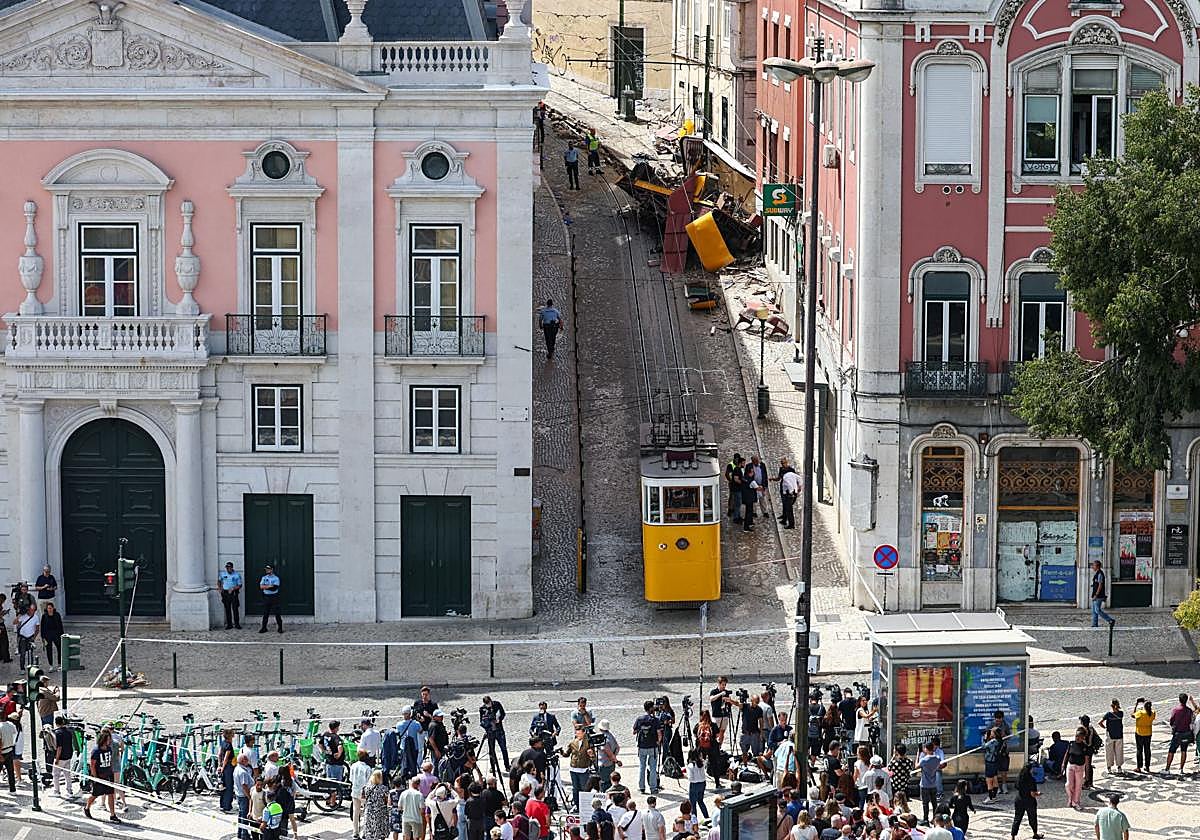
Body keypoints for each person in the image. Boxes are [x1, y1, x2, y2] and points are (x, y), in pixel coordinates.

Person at [85, 726, 121, 823]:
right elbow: (92, 765)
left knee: (110, 794)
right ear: (103, 740)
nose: (110, 741)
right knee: (95, 795)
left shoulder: (109, 748)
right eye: (108, 739)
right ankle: (87, 807)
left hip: (108, 775)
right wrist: (95, 778)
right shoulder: (96, 751)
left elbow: (110, 761)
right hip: (99, 777)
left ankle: (113, 815)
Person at [633, 700, 662, 794]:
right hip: (653, 747)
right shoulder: (655, 720)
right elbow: (659, 734)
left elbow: (634, 731)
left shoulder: (639, 719)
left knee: (642, 767)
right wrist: (658, 742)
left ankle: (642, 787)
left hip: (642, 746)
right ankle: (653, 788)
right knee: (653, 768)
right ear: (651, 708)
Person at [1164, 692, 1197, 774]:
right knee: (1184, 750)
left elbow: (1172, 721)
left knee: (1171, 751)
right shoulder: (1189, 710)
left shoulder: (1176, 710)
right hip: (1186, 733)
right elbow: (1192, 720)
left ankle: (1167, 769)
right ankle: (1181, 769)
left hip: (1178, 733)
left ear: (1179, 700)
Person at [1010, 763, 1042, 840]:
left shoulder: (1019, 778)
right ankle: (1035, 834)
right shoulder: (1031, 780)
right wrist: (1039, 793)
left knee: (1017, 818)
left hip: (1019, 800)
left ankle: (1013, 836)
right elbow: (1033, 794)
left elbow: (1016, 787)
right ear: (1030, 770)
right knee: (1032, 818)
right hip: (1029, 801)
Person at [480, 696, 511, 775]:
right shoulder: (482, 709)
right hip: (490, 732)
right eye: (487, 704)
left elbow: (503, 713)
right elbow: (481, 722)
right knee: (491, 750)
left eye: (489, 703)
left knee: (503, 748)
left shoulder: (497, 704)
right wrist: (488, 723)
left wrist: (499, 719)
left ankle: (507, 766)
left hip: (499, 730)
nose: (489, 705)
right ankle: (492, 766)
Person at [1064, 727, 1089, 809]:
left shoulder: (1085, 747)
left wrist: (1087, 774)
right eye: (1076, 736)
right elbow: (1067, 754)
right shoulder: (1071, 743)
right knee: (1069, 784)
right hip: (1070, 766)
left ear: (1083, 737)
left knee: (1078, 786)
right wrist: (1063, 765)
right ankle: (1070, 798)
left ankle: (1076, 802)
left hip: (1080, 768)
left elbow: (1087, 761)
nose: (1077, 738)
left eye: (1079, 736)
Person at [351, 749, 374, 838]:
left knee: (355, 811)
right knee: (366, 812)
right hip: (365, 792)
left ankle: (355, 831)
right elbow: (370, 782)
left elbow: (351, 779)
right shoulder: (368, 768)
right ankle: (364, 832)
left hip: (355, 790)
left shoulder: (353, 766)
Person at [52, 714, 75, 797]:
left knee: (56, 775)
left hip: (61, 757)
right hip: (68, 755)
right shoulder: (69, 732)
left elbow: (59, 747)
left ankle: (57, 791)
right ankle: (69, 791)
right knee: (67, 774)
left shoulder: (58, 733)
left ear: (56, 723)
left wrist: (57, 759)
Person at [597, 719, 622, 792]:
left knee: (605, 783)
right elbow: (617, 747)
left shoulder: (603, 738)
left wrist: (613, 758)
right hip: (611, 763)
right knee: (610, 781)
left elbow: (608, 751)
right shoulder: (610, 735)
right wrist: (614, 758)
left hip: (604, 764)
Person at [1089, 560, 1116, 627]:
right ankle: (1094, 624)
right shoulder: (1097, 573)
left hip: (1098, 595)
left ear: (1097, 566)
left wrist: (1096, 595)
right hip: (1095, 594)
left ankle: (1110, 620)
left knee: (1097, 610)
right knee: (1094, 611)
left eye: (1093, 565)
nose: (1092, 566)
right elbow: (1097, 584)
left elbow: (1100, 585)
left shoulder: (1100, 574)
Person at [400, 776, 427, 840]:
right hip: (416, 818)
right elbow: (422, 810)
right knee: (416, 837)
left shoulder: (403, 793)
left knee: (406, 837)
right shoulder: (419, 795)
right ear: (418, 784)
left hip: (406, 818)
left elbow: (400, 807)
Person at [234, 754, 255, 840]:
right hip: (244, 796)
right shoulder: (242, 772)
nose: (248, 761)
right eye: (246, 759)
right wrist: (249, 797)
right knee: (245, 815)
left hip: (239, 795)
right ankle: (244, 834)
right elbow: (244, 786)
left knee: (241, 814)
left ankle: (240, 832)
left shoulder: (237, 769)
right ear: (243, 761)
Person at [14, 600, 39, 668]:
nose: (32, 611)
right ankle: (22, 668)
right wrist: (19, 615)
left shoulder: (36, 617)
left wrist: (34, 638)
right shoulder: (23, 616)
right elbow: (14, 622)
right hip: (23, 637)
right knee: (22, 653)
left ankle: (31, 666)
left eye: (33, 610)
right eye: (31, 610)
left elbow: (37, 629)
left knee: (31, 653)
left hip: (30, 637)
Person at [219, 561, 244, 630]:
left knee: (235, 609)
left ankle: (237, 624)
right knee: (227, 609)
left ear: (232, 567)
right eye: (227, 567)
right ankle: (229, 624)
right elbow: (219, 581)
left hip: (233, 593)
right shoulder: (223, 574)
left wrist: (233, 588)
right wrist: (220, 588)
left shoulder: (236, 575)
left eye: (229, 567)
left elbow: (240, 585)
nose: (228, 569)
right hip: (225, 593)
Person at [1132, 699, 1155, 772]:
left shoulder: (1140, 713)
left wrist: (1136, 705)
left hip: (1139, 733)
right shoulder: (1153, 713)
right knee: (1147, 750)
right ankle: (1147, 766)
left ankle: (1139, 767)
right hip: (1148, 733)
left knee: (1139, 750)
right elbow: (1150, 711)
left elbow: (1133, 715)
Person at [258, 564, 283, 633]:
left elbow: (274, 588)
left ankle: (280, 627)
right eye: (266, 569)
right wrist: (269, 586)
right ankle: (264, 627)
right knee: (265, 613)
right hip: (266, 597)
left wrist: (266, 586)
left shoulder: (276, 578)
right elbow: (261, 586)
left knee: (277, 613)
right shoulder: (264, 577)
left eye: (268, 569)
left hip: (274, 597)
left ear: (272, 570)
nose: (267, 570)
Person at [40, 602, 64, 671]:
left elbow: (60, 625)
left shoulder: (57, 615)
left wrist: (62, 634)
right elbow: (42, 627)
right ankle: (51, 665)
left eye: (50, 608)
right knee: (49, 650)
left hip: (56, 634)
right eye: (48, 608)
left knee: (59, 648)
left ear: (53, 608)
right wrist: (43, 637)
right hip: (48, 635)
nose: (49, 610)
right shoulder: (44, 616)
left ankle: (59, 664)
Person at [219, 727, 237, 812]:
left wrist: (220, 765)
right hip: (228, 766)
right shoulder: (229, 745)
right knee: (229, 787)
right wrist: (223, 767)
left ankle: (222, 804)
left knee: (223, 786)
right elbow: (226, 757)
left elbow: (219, 754)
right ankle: (227, 806)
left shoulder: (223, 743)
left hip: (223, 765)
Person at [741, 464, 759, 531]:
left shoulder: (744, 478)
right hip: (750, 498)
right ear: (750, 473)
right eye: (752, 472)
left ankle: (748, 524)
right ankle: (747, 526)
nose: (753, 473)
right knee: (749, 513)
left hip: (745, 497)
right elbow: (757, 488)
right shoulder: (752, 481)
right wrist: (761, 487)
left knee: (747, 512)